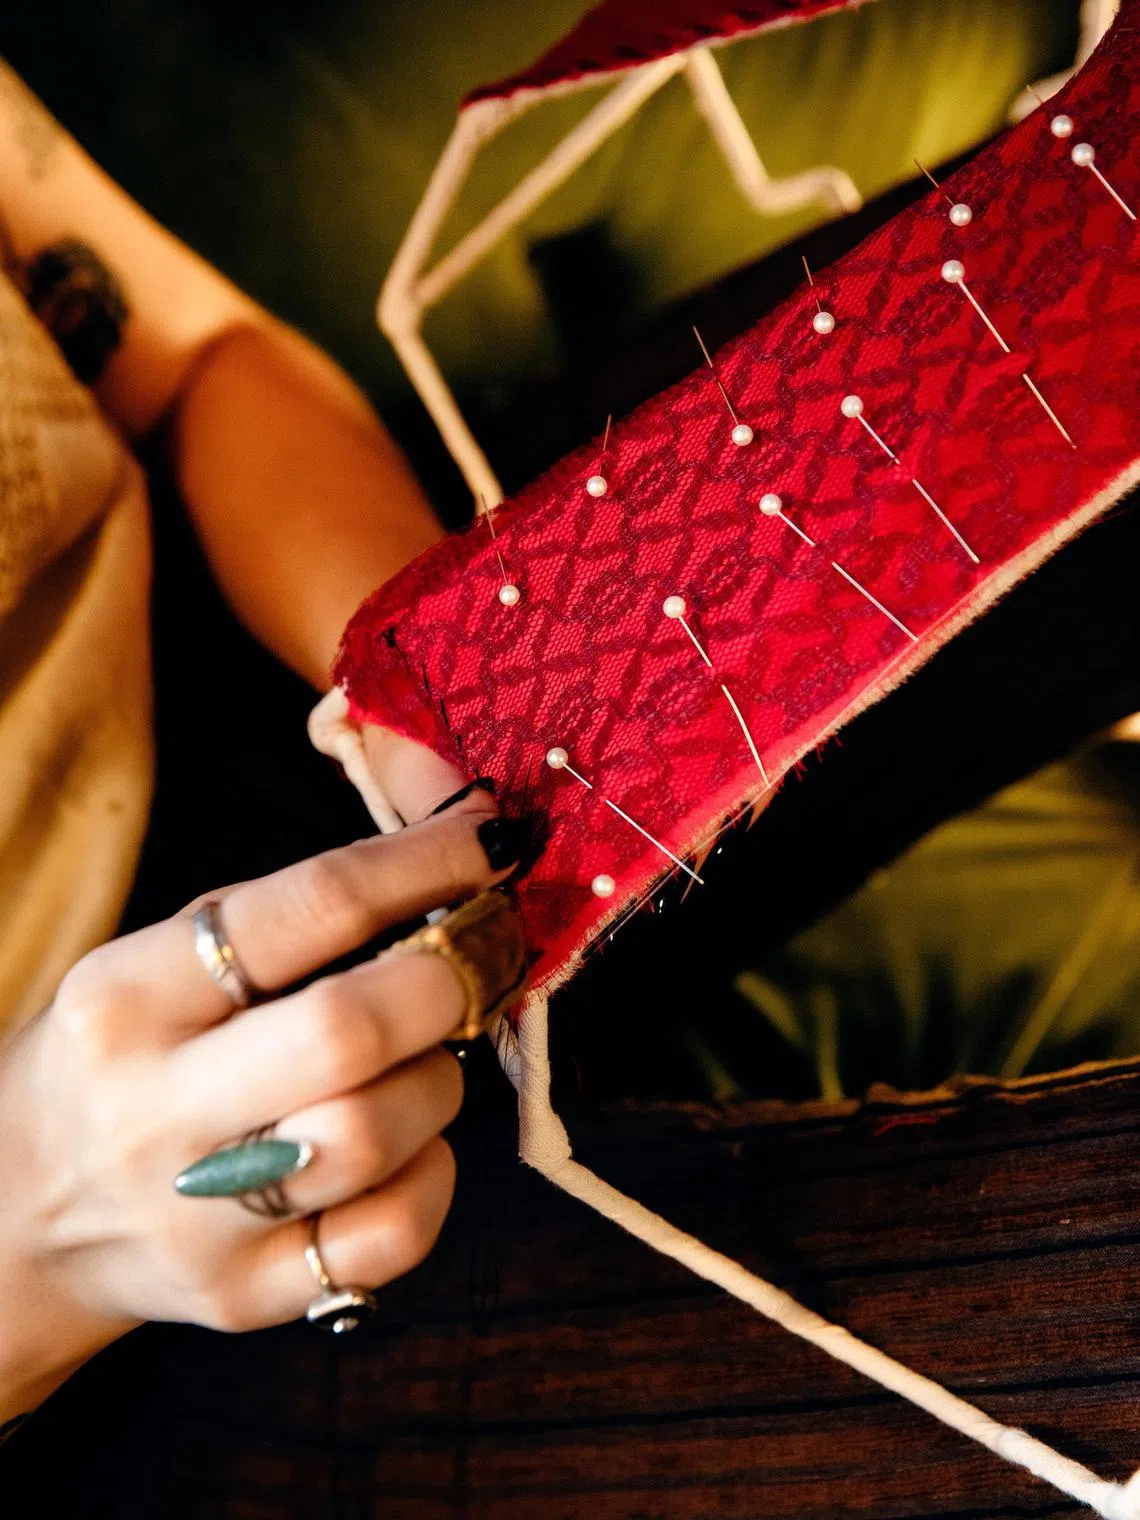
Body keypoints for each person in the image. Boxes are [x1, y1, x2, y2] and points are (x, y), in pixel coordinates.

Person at [0, 59, 525, 1428]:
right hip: (102, 1268)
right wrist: (36, 1244)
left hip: (276, 658)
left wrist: (424, 676)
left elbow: (186, 359)